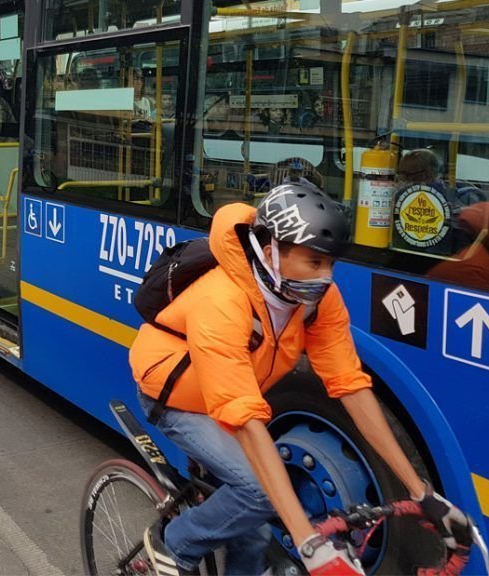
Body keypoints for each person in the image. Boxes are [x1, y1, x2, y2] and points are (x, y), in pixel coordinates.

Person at [129, 181, 471, 576]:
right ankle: (173, 544)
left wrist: (422, 492)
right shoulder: (221, 301)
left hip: (233, 393)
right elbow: (244, 418)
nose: (326, 277)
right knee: (257, 493)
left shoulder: (315, 298)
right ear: (273, 251)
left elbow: (351, 386)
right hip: (175, 397)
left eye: (331, 264)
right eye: (314, 262)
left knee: (255, 533)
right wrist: (309, 543)